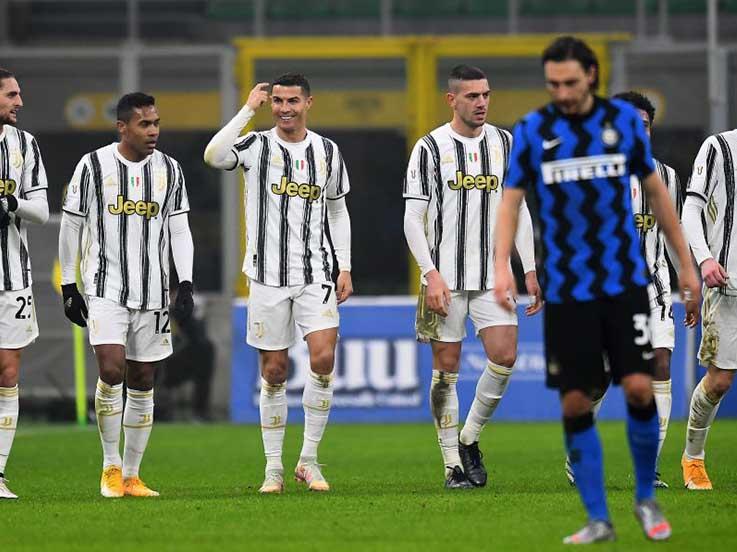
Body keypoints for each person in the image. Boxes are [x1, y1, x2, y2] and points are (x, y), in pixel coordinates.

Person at [493, 36, 700, 544]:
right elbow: (511, 201)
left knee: (639, 384)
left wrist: (687, 269)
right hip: (569, 289)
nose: (561, 92)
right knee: (574, 403)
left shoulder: (624, 127)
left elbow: (659, 198)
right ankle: (597, 518)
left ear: (591, 76)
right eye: (552, 84)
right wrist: (503, 264)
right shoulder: (534, 131)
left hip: (625, 283)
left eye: (570, 82)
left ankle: (645, 498)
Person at [204, 73, 353, 494]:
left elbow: (338, 211)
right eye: (278, 101)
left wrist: (345, 266)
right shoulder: (256, 145)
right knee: (274, 370)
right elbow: (214, 156)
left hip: (315, 274)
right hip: (267, 278)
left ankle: (308, 460)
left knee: (323, 359)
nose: (285, 108)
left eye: (293, 101)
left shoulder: (327, 151)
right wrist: (248, 109)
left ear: (309, 103)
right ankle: (273, 468)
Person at [403, 65, 541, 489]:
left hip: (492, 276)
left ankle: (469, 437)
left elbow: (515, 211)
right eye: (472, 96)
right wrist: (430, 275)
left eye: (486, 94)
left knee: (505, 356)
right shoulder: (429, 148)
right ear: (452, 100)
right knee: (446, 370)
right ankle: (452, 467)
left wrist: (530, 268)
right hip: (442, 278)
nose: (481, 102)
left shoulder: (505, 143)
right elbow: (413, 218)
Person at [58, 92, 195, 498]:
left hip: (153, 292)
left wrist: (184, 281)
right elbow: (71, 227)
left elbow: (180, 229)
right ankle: (110, 466)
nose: (153, 131)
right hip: (104, 288)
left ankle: (133, 475)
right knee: (112, 369)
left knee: (142, 377)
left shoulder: (170, 170)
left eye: (156, 123)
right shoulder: (93, 166)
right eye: (144, 124)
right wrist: (69, 285)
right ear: (122, 127)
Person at [564, 91, 684, 489]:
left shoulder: (666, 177)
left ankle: (649, 467)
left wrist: (689, 275)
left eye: (644, 125)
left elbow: (672, 232)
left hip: (655, 288)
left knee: (660, 365)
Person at [0, 67, 50, 500]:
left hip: (11, 276)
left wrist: (10, 202)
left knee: (8, 372)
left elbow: (40, 209)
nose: (19, 102)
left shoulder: (24, 144)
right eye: (12, 95)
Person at [680, 123, 737, 491]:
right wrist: (704, 260)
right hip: (729, 285)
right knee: (719, 381)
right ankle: (693, 458)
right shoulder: (719, 147)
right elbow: (691, 209)